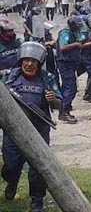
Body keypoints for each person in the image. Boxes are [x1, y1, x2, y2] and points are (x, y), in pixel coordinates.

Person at [2, 42, 62, 212]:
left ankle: (37, 202)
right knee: (11, 166)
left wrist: (53, 99)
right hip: (13, 131)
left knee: (38, 169)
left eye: (33, 61)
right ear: (20, 60)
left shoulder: (47, 78)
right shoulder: (8, 76)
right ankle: (11, 182)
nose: (29, 64)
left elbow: (60, 103)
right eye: (26, 60)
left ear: (39, 62)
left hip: (39, 130)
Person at [56, 16, 84, 124]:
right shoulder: (65, 33)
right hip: (65, 64)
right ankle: (64, 112)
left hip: (70, 64)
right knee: (70, 88)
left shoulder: (72, 33)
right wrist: (76, 44)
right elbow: (63, 47)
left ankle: (65, 109)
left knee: (68, 87)